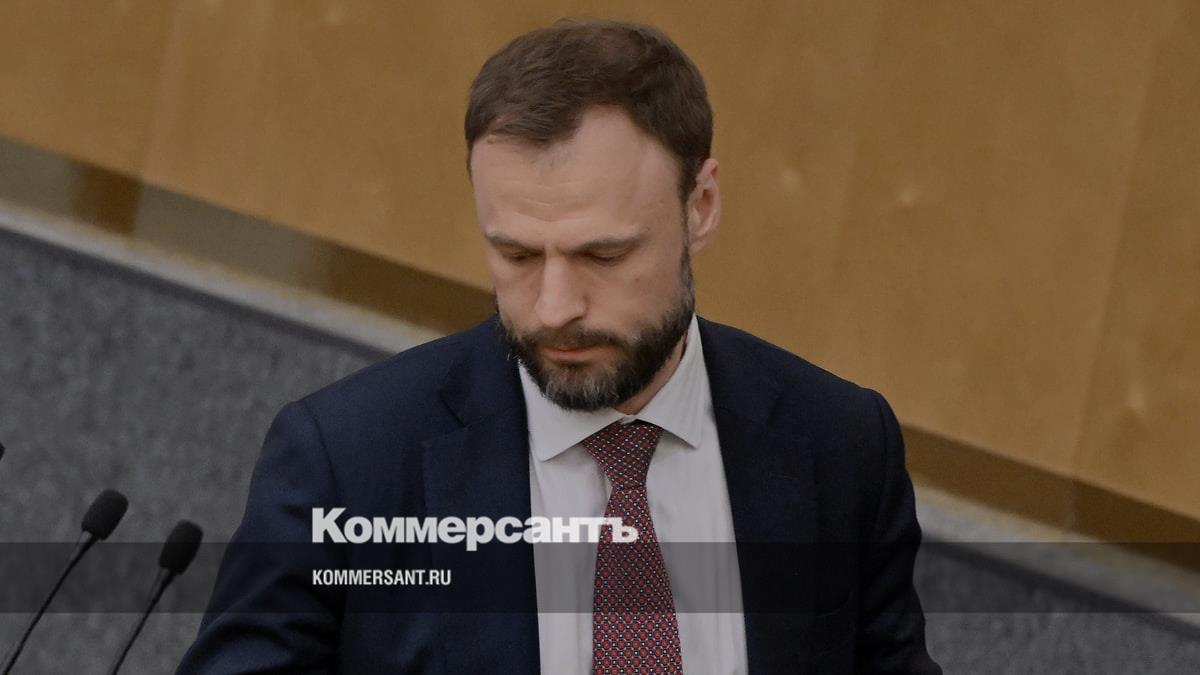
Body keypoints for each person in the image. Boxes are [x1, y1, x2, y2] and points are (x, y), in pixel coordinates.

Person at [179, 18, 940, 674]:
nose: (554, 309)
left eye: (602, 255)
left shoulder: (841, 446)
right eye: (515, 255)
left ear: (701, 206)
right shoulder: (348, 463)